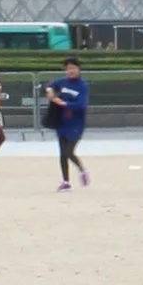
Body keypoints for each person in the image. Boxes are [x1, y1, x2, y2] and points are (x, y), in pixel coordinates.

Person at [44, 50, 91, 190]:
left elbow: (82, 104)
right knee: (62, 152)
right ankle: (66, 181)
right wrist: (50, 91)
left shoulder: (82, 85)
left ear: (79, 69)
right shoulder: (62, 82)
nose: (70, 71)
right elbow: (49, 85)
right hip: (62, 121)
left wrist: (64, 103)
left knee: (69, 151)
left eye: (73, 68)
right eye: (68, 69)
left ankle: (82, 170)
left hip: (76, 123)